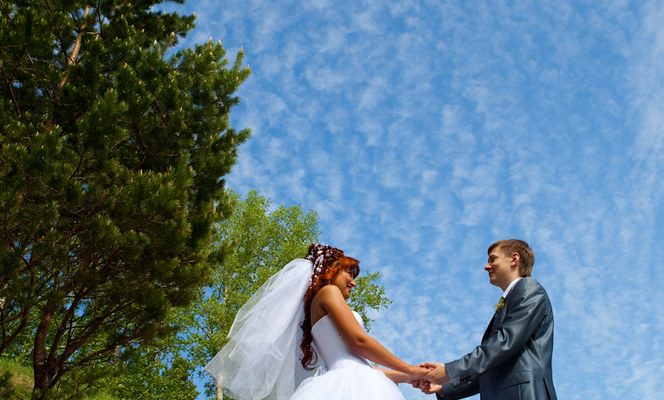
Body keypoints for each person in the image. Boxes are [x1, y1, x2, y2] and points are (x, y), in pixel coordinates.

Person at [205, 243, 429, 400]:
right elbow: (358, 341)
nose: (353, 282)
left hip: (353, 379)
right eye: (349, 274)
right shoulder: (329, 292)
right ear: (331, 271)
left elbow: (361, 366)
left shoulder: (321, 304)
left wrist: (410, 376)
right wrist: (408, 368)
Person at [414, 239, 557, 400]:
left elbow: (504, 343)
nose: (486, 266)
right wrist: (443, 387)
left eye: (492, 259)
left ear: (514, 259)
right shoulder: (512, 299)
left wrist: (450, 371)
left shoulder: (529, 288)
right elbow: (490, 367)